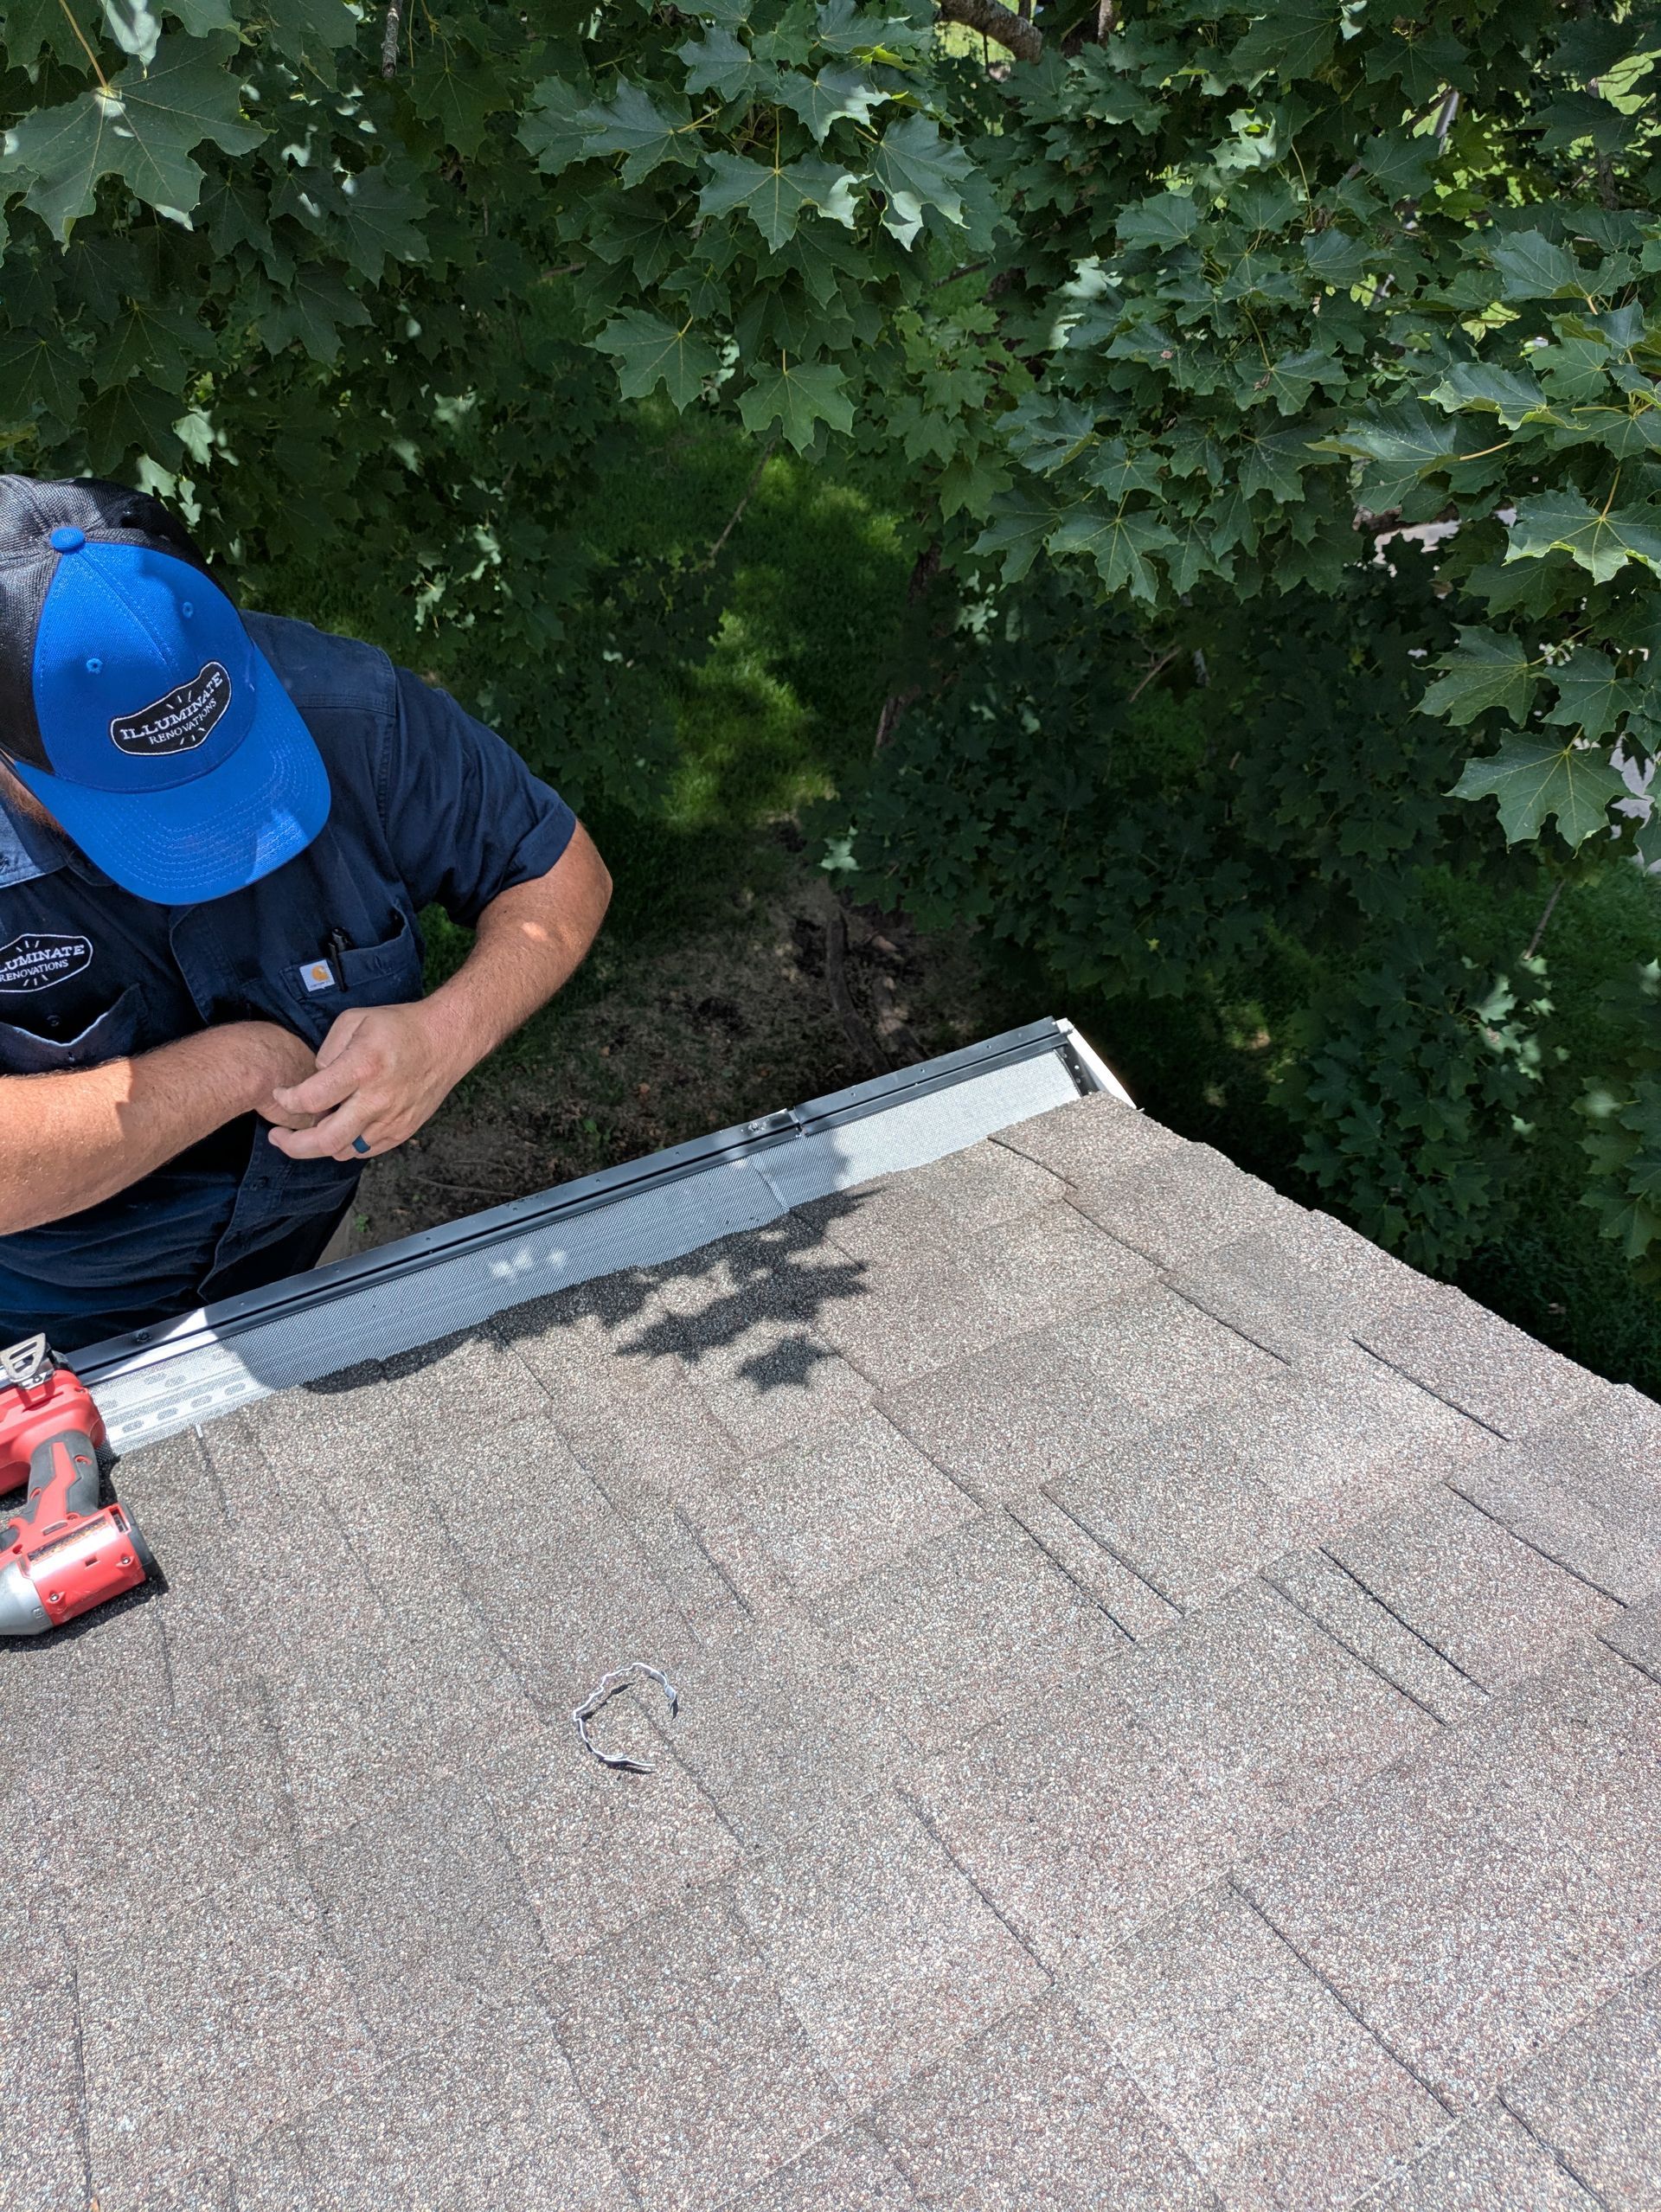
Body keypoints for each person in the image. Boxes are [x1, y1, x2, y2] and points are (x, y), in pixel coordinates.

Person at [0, 475, 612, 1352]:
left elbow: (557, 871)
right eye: (144, 807)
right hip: (36, 1324)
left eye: (226, 768)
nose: (207, 841)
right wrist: (244, 1067)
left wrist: (447, 1032)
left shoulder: (352, 711)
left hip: (291, 1272)